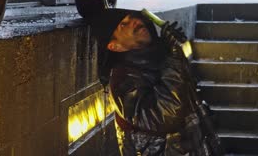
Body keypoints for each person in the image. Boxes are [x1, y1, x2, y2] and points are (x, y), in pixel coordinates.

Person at [91, 9, 220, 156]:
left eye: (133, 17)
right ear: (115, 46)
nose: (135, 21)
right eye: (123, 24)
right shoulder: (123, 79)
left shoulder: (161, 58)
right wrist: (173, 55)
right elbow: (169, 113)